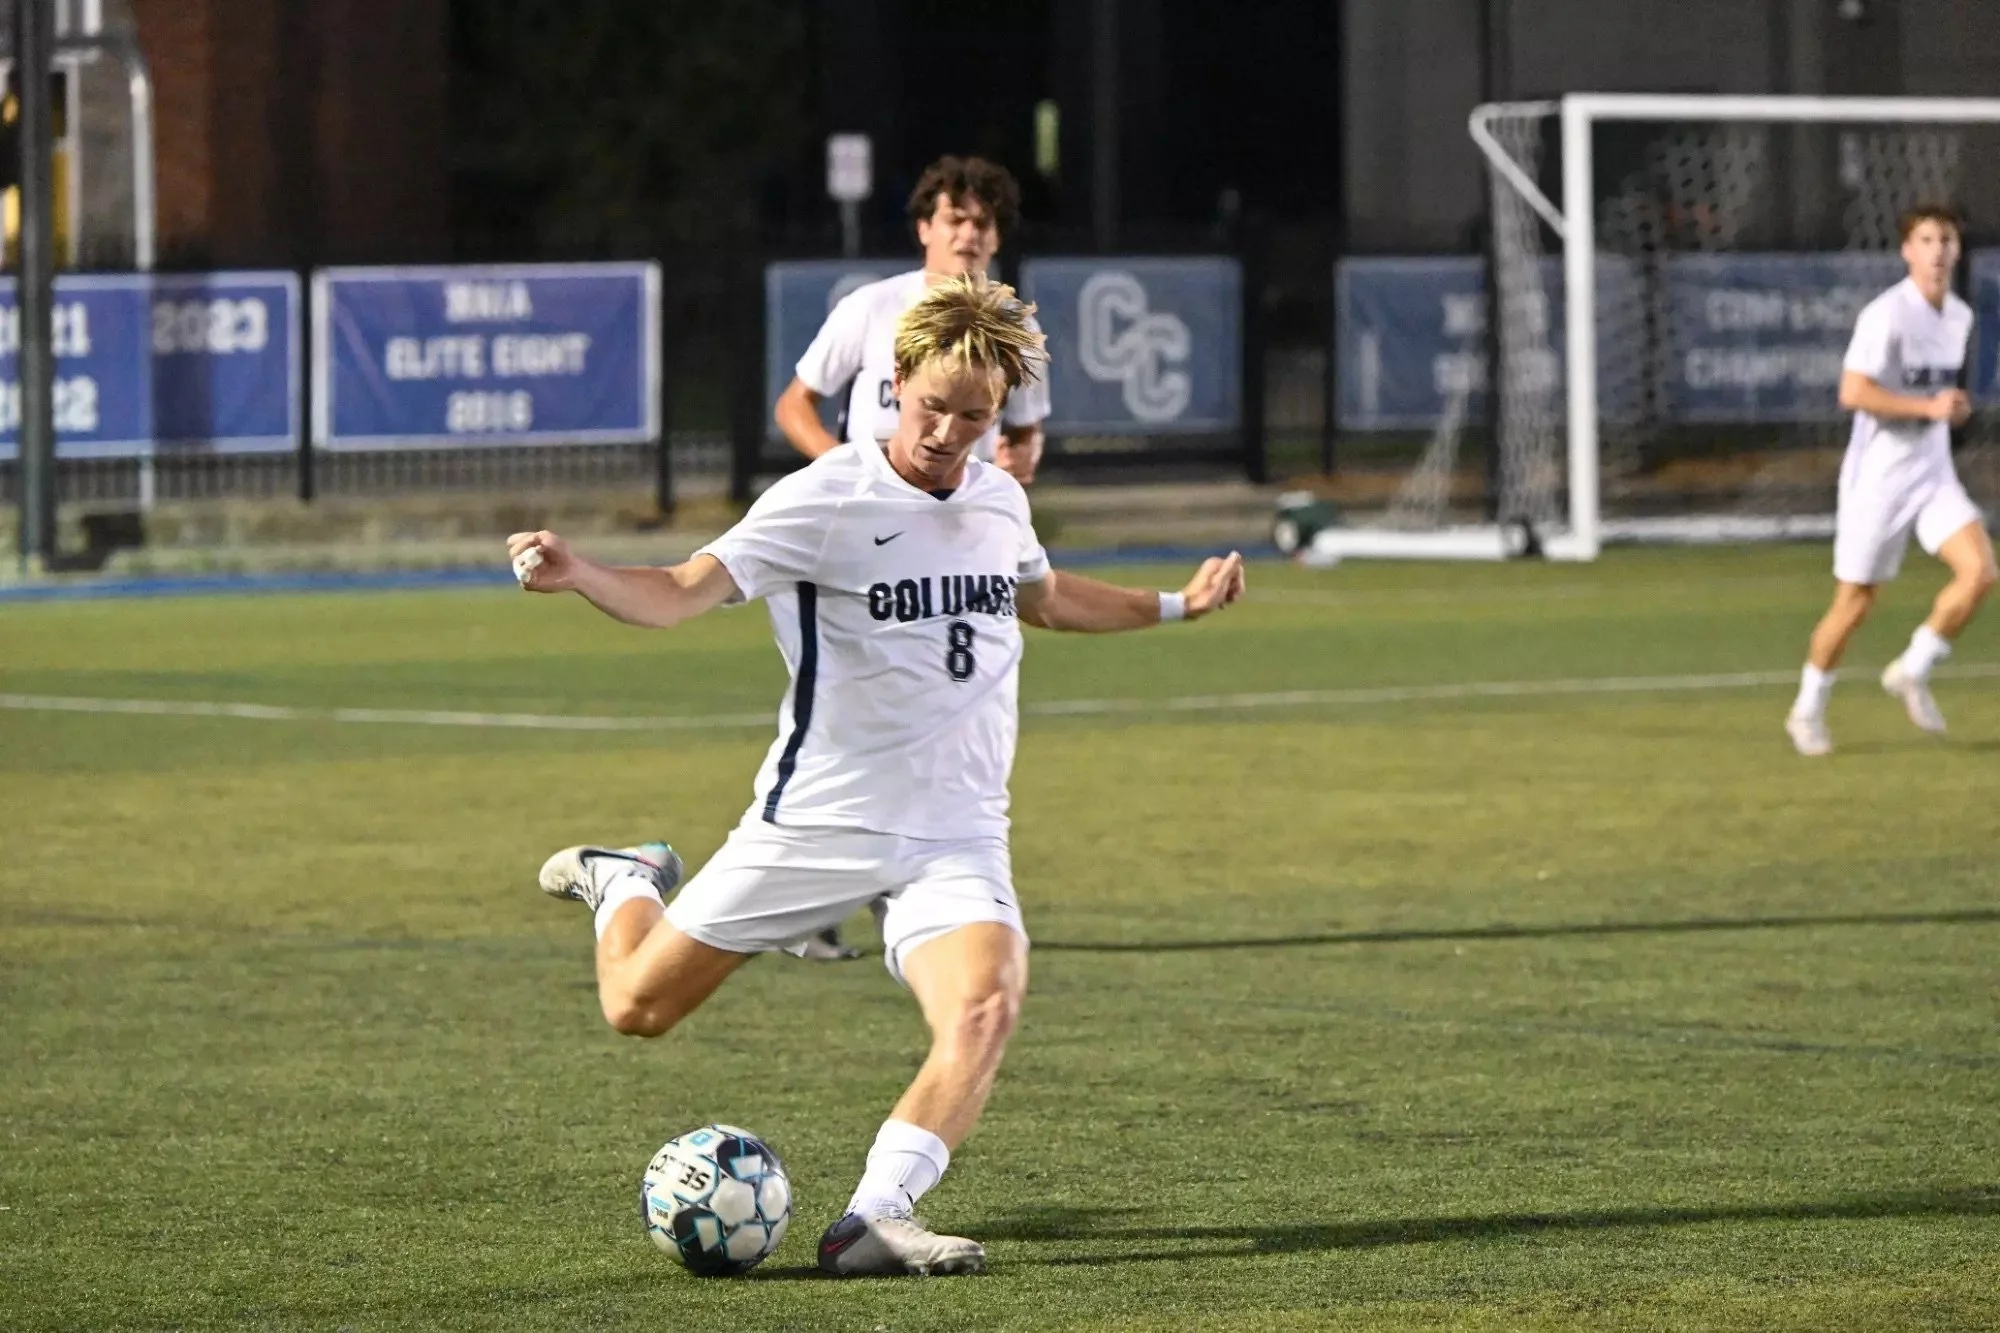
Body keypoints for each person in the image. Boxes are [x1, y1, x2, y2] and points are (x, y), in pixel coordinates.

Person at [507, 276, 1245, 1277]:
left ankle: (873, 1215)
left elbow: (1045, 598)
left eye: (973, 415)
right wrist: (581, 573)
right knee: (636, 1006)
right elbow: (683, 591)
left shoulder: (997, 497)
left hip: (954, 831)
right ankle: (625, 878)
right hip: (819, 821)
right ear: (894, 384)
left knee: (984, 1005)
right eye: (931, 405)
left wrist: (1173, 606)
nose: (947, 431)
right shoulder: (826, 498)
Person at [775, 153, 1051, 959]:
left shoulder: (1012, 324)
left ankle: (889, 884)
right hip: (861, 537)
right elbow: (796, 402)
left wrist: (1020, 461)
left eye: (983, 222)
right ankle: (813, 883)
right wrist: (841, 471)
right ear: (925, 227)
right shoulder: (875, 307)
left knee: (931, 705)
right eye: (955, 219)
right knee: (842, 701)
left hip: (951, 531)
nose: (969, 234)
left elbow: (1025, 427)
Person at [1786, 204, 1998, 757]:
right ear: (1907, 251)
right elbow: (1853, 393)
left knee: (1979, 573)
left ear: (1955, 250)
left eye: (1945, 240)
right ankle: (1807, 707)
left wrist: (1946, 408)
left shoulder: (1958, 315)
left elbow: (1934, 396)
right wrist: (1927, 407)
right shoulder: (1886, 315)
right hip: (1878, 481)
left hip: (1931, 475)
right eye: (1925, 240)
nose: (1936, 250)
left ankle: (1913, 667)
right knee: (1855, 602)